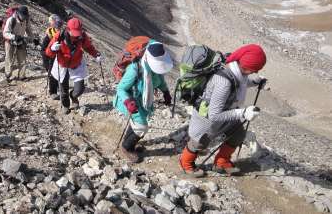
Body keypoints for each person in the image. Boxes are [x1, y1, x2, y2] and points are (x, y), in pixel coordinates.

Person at [179, 44, 267, 177]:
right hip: (207, 119)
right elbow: (214, 115)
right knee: (199, 142)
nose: (255, 72)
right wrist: (243, 113)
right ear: (246, 66)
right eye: (255, 69)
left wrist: (254, 82)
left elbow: (238, 84)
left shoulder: (234, 69)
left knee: (238, 134)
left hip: (226, 112)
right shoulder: (223, 82)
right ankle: (185, 163)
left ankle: (221, 162)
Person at [113, 41, 173, 163]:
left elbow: (160, 81)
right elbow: (121, 88)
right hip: (130, 101)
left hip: (143, 101)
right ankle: (126, 147)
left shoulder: (154, 69)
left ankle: (129, 142)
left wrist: (166, 92)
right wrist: (128, 101)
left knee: (138, 124)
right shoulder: (135, 69)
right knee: (142, 127)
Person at [45, 17, 101, 114]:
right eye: (74, 33)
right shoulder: (59, 36)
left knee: (80, 88)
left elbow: (88, 47)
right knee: (63, 87)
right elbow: (48, 53)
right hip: (62, 64)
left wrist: (96, 54)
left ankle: (74, 96)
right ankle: (65, 105)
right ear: (68, 29)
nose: (76, 36)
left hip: (76, 63)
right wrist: (53, 49)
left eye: (78, 33)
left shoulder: (82, 36)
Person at [2, 5, 36, 80]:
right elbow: (5, 33)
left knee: (22, 60)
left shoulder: (26, 20)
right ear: (18, 13)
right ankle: (8, 75)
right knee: (9, 59)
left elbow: (29, 31)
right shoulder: (11, 20)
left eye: (25, 16)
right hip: (10, 42)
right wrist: (14, 37)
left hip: (20, 41)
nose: (24, 17)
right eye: (23, 15)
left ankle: (21, 76)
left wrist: (33, 39)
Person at [41, 15, 63, 92]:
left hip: (54, 56)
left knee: (55, 72)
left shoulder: (59, 34)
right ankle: (52, 91)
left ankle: (55, 86)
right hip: (47, 56)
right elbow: (44, 48)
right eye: (58, 26)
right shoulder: (49, 35)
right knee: (51, 73)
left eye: (59, 27)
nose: (59, 28)